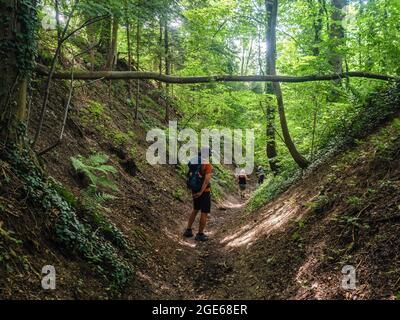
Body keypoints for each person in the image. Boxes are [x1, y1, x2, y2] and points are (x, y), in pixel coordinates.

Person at [183, 147, 213, 241]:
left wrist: (196, 191)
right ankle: (200, 234)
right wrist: (201, 192)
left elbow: (190, 174)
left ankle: (188, 230)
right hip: (204, 192)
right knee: (204, 212)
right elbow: (206, 181)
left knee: (195, 210)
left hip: (194, 189)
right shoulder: (207, 165)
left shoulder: (193, 161)